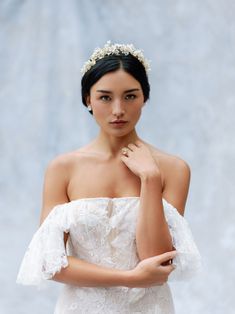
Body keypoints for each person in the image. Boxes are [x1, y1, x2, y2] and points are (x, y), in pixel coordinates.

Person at [17, 41, 201, 313]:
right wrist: (130, 279)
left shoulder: (173, 169)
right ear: (88, 100)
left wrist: (149, 178)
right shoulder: (63, 169)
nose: (118, 110)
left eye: (130, 96)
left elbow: (157, 258)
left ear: (144, 98)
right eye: (105, 97)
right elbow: (50, 261)